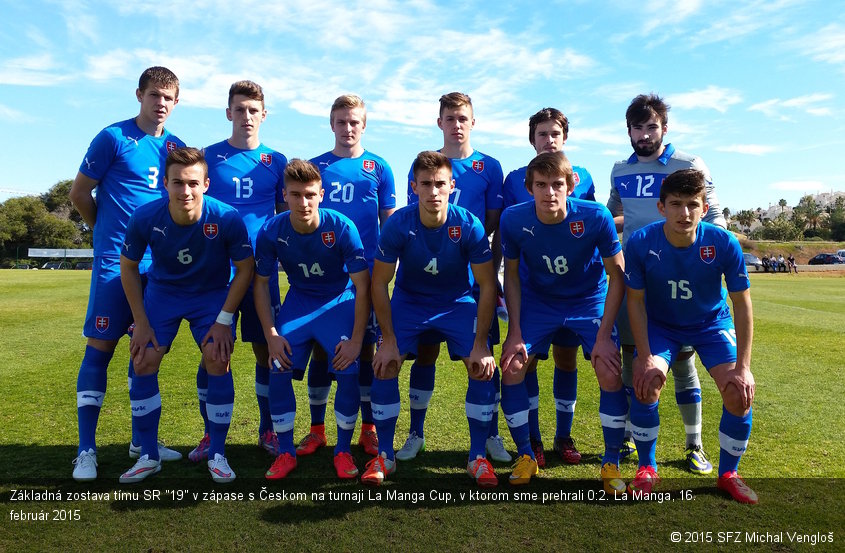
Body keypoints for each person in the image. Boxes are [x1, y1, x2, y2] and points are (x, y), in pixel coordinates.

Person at [69, 66, 185, 481]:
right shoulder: (113, 137)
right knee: (99, 347)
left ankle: (142, 443)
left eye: (168, 97)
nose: (161, 103)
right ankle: (86, 450)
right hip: (114, 265)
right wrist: (105, 232)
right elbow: (79, 193)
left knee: (144, 353)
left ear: (176, 102)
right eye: (154, 95)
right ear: (139, 95)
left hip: (158, 268)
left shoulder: (176, 147)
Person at [119, 147, 254, 483]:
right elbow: (128, 265)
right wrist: (141, 321)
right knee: (143, 360)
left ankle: (217, 453)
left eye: (193, 183)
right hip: (164, 294)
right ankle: (149, 455)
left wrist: (225, 320)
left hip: (210, 296)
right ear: (164, 183)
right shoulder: (145, 217)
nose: (185, 191)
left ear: (206, 184)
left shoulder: (226, 218)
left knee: (217, 358)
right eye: (177, 182)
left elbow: (245, 267)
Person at [364, 151, 498, 487]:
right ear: (414, 187)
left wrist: (481, 344)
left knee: (481, 367)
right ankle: (385, 455)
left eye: (440, 184)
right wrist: (388, 340)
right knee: (385, 364)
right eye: (426, 184)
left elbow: (484, 284)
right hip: (410, 303)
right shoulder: (398, 223)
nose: (433, 191)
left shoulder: (468, 224)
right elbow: (379, 282)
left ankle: (478, 457)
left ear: (452, 186)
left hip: (457, 303)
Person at [607, 93, 725, 474]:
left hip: (683, 277)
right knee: (633, 356)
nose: (644, 134)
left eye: (651, 127)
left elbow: (716, 213)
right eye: (637, 128)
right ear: (628, 131)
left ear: (665, 128)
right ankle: (629, 433)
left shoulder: (688, 164)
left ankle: (694, 444)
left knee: (684, 362)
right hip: (636, 277)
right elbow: (615, 215)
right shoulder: (619, 171)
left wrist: (708, 258)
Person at [624, 169, 757, 504]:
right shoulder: (641, 242)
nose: (684, 213)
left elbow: (741, 303)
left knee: (738, 392)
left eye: (692, 205)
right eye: (676, 204)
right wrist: (643, 354)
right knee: (647, 382)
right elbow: (635, 301)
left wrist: (743, 367)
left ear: (704, 206)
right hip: (662, 325)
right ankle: (646, 468)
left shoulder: (722, 242)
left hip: (711, 324)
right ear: (661, 207)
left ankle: (729, 474)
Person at [499, 152, 626, 490]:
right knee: (512, 366)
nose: (549, 192)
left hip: (588, 300)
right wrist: (514, 332)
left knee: (608, 367)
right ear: (529, 188)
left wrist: (603, 337)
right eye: (541, 185)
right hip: (538, 302)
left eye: (557, 184)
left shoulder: (596, 216)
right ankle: (526, 455)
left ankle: (611, 462)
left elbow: (618, 274)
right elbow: (510, 276)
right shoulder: (513, 219)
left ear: (571, 186)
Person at [399, 92, 508, 464]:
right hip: (427, 281)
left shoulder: (490, 167)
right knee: (424, 353)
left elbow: (493, 221)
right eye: (450, 118)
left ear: (472, 122)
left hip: (473, 276)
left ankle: (490, 433)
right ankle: (416, 432)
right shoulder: (428, 166)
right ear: (440, 122)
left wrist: (464, 244)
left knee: (482, 356)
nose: (457, 124)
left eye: (463, 118)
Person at [189, 80, 287, 463]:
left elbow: (283, 216)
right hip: (217, 272)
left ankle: (268, 429)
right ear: (228, 113)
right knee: (213, 352)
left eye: (253, 110)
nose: (246, 116)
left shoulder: (276, 161)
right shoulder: (208, 157)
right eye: (239, 109)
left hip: (262, 272)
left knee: (267, 352)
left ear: (264, 115)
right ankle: (208, 435)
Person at [253, 159, 371, 480]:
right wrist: (272, 333)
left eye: (309, 194)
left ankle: (343, 450)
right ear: (285, 195)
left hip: (339, 301)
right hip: (300, 303)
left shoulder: (343, 227)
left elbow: (362, 287)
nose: (303, 203)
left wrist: (358, 340)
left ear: (321, 194)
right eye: (295, 195)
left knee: (348, 369)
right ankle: (286, 452)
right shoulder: (272, 230)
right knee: (277, 365)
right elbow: (261, 284)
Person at [296, 94, 395, 459]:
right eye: (341, 121)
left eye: (354, 121)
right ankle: (317, 429)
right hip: (323, 278)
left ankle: (368, 428)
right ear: (331, 124)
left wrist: (385, 274)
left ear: (364, 124)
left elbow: (390, 224)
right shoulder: (315, 166)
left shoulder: (379, 167)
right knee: (323, 352)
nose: (348, 128)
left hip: (364, 277)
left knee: (365, 352)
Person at [500, 107, 597, 468]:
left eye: (555, 133)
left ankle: (563, 435)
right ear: (532, 140)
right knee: (527, 363)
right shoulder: (515, 179)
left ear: (564, 138)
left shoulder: (582, 175)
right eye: (542, 134)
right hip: (532, 288)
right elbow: (508, 232)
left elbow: (589, 225)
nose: (549, 140)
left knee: (566, 359)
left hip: (576, 290)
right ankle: (534, 440)